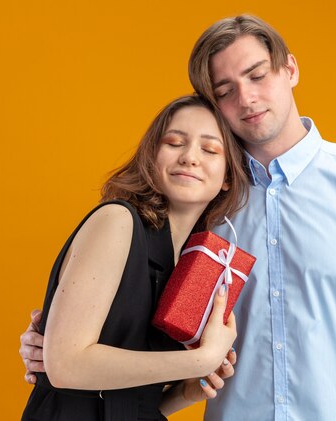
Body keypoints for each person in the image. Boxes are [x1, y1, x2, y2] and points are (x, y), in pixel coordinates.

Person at [21, 15, 336, 421]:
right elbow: (128, 314)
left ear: (290, 68)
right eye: (225, 90)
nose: (247, 98)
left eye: (257, 76)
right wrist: (55, 345)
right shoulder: (199, 202)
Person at [20, 94, 251, 421]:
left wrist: (184, 392)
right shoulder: (117, 221)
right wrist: (201, 360)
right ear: (151, 155)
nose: (189, 157)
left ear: (228, 176)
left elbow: (131, 403)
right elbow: (66, 366)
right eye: (174, 143)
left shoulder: (189, 263)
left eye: (210, 150)